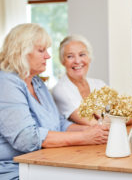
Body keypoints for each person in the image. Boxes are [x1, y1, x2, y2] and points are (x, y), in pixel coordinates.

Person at [0, 24, 108, 180]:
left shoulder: (37, 82)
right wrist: (84, 137)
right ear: (22, 51)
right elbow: (26, 139)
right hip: (17, 170)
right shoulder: (6, 84)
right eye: (41, 50)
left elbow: (59, 123)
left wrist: (96, 132)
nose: (48, 56)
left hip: (43, 162)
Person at [52, 35, 106, 126]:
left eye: (82, 55)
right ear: (62, 61)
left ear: (89, 57)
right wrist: (113, 117)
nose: (77, 61)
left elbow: (129, 115)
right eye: (70, 56)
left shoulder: (99, 84)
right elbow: (94, 124)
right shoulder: (61, 90)